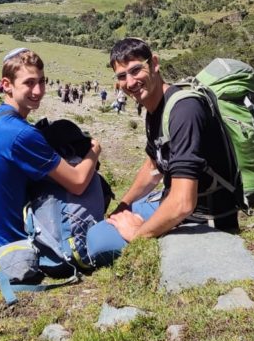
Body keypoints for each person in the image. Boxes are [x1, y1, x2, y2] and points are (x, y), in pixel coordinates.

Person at [86, 38, 240, 265]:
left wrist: (138, 234)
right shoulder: (155, 109)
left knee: (97, 243)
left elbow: (183, 203)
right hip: (173, 203)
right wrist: (122, 207)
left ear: (155, 63)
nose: (130, 82)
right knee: (104, 229)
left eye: (136, 70)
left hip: (202, 219)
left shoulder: (184, 111)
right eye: (121, 76)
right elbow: (153, 167)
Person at [0, 48, 102, 254]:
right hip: (8, 242)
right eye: (29, 83)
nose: (38, 91)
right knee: (91, 178)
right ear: (7, 85)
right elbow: (78, 183)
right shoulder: (22, 134)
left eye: (41, 81)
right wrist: (94, 150)